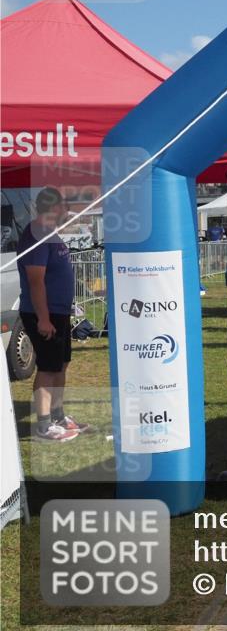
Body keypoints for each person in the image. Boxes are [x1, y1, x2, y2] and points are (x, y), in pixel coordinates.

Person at [17, 188, 88, 441]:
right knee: (47, 367)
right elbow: (36, 281)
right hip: (43, 313)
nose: (66, 212)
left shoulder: (50, 233)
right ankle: (44, 424)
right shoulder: (35, 235)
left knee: (61, 363)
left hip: (59, 312)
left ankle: (58, 415)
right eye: (63, 207)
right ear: (53, 207)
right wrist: (44, 318)